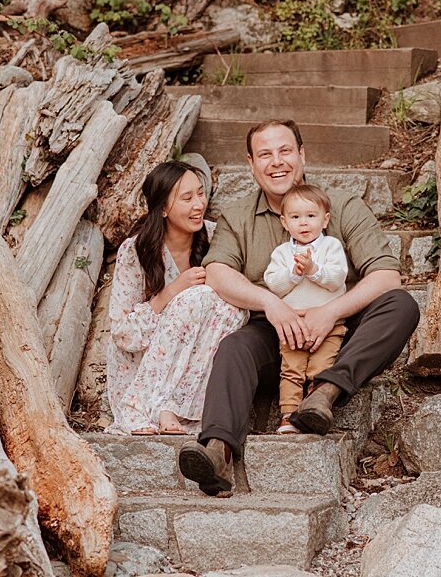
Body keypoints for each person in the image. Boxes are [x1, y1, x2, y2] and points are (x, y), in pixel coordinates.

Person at [177, 119, 420, 496]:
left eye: (285, 151)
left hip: (340, 331)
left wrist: (333, 311)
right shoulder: (238, 216)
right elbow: (217, 271)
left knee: (401, 305)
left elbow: (387, 276)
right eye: (265, 154)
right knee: (234, 347)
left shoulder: (341, 207)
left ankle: (325, 393)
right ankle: (217, 451)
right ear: (251, 164)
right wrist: (269, 302)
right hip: (275, 333)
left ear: (302, 155)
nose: (277, 162)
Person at [105, 161, 248, 436]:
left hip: (196, 361)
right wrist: (171, 293)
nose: (199, 204)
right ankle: (142, 407)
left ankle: (178, 407)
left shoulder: (218, 236)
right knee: (193, 299)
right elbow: (123, 335)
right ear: (163, 209)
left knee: (227, 309)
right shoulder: (136, 252)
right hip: (145, 364)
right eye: (187, 198)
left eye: (200, 193)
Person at [263, 184, 348, 434]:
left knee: (321, 367)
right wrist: (294, 273)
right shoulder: (282, 253)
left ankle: (312, 410)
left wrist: (313, 270)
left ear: (325, 220)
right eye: (295, 217)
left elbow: (337, 278)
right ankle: (288, 415)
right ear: (284, 222)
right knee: (291, 370)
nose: (303, 223)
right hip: (293, 327)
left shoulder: (330, 247)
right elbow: (274, 285)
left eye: (311, 216)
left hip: (328, 325)